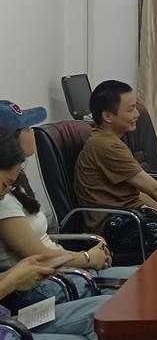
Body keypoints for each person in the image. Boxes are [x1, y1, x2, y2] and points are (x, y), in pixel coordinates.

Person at [0, 100, 136, 307]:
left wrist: (86, 258)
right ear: (10, 141)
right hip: (49, 283)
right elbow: (41, 257)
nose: (34, 132)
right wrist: (88, 257)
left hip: (64, 269)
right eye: (27, 128)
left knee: (146, 278)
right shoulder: (4, 200)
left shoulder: (15, 184)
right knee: (124, 302)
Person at [0, 126, 110, 340]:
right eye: (5, 184)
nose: (4, 195)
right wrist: (12, 280)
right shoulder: (5, 206)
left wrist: (18, 273)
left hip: (11, 319)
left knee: (109, 308)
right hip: (10, 328)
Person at [74, 81, 157, 234]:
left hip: (129, 214)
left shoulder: (107, 140)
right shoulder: (107, 146)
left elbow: (137, 194)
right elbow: (155, 189)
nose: (137, 114)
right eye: (131, 109)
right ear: (108, 116)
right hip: (115, 225)